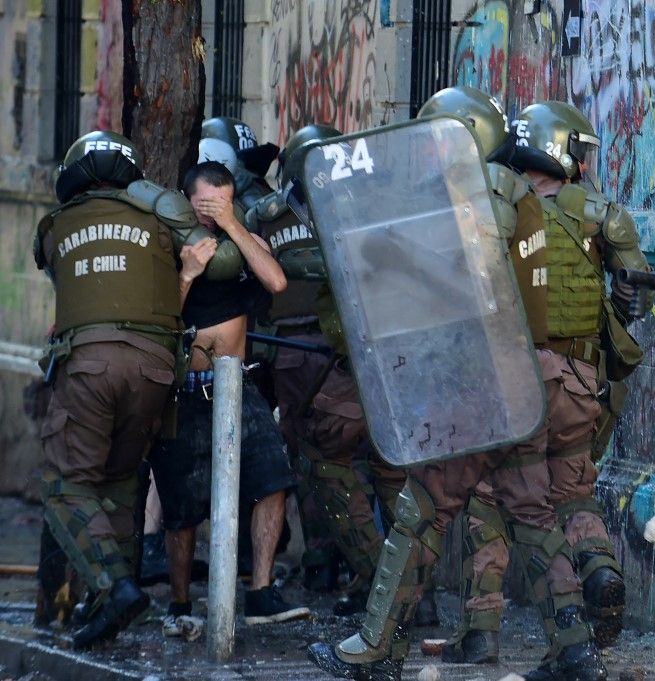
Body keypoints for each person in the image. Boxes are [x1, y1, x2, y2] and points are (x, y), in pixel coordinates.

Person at [305, 89, 609, 681]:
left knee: (423, 508)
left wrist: (393, 254)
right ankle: (574, 649)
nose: (421, 153)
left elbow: (473, 268)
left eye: (432, 138)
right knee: (531, 511)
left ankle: (375, 647)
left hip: (485, 379)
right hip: (519, 375)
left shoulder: (488, 187)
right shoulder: (511, 187)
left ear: (462, 137)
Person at [439, 97, 651, 665]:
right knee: (572, 493)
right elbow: (633, 299)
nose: (584, 163)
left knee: (491, 499)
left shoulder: (497, 198)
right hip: (581, 383)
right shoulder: (601, 215)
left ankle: (483, 631)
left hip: (516, 378)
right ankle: (600, 570)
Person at [33, 131, 232, 647]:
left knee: (66, 485)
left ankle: (113, 588)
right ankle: (109, 612)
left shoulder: (56, 226)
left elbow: (53, 261)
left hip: (90, 366)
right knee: (121, 484)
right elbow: (216, 260)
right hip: (155, 371)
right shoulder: (161, 220)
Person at [148, 161, 309, 635]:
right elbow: (159, 323)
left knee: (273, 478)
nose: (212, 215)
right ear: (186, 201)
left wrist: (234, 226)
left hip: (238, 384)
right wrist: (186, 274)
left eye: (221, 204)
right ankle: (179, 604)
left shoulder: (241, 242)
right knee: (182, 504)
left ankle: (260, 592)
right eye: (204, 206)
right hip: (188, 389)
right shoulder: (172, 246)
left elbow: (277, 282)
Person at [258, 125, 411, 615]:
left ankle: (379, 583)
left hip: (322, 353)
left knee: (325, 462)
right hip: (370, 352)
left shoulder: (276, 214)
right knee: (386, 467)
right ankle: (404, 590)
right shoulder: (369, 205)